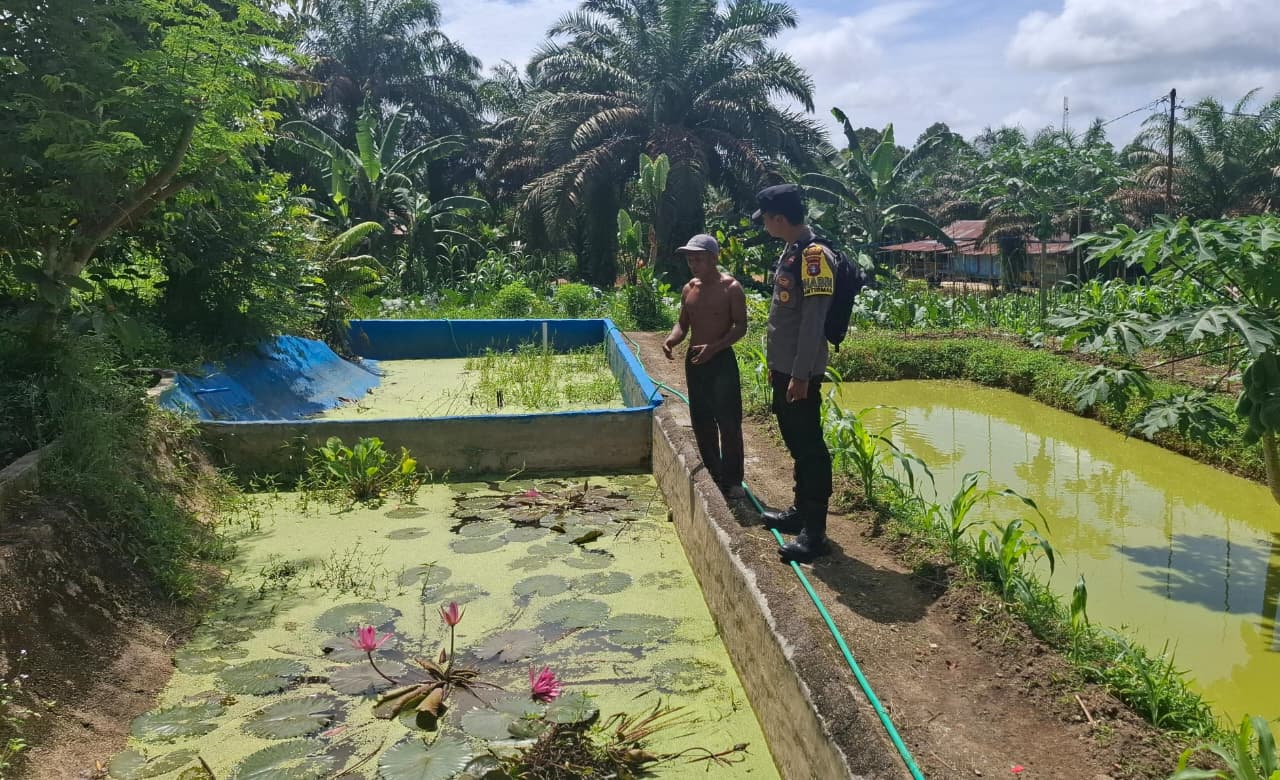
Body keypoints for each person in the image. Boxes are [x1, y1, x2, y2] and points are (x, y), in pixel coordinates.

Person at [753, 184, 834, 562]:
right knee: (797, 443)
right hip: (786, 369)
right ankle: (801, 514)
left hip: (800, 372)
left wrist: (800, 375)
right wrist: (778, 369)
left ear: (779, 219)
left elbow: (812, 322)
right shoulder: (793, 250)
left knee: (810, 448)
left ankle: (814, 533)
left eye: (766, 219)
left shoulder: (815, 256)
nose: (765, 225)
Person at [662, 234, 748, 502]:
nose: (693, 263)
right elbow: (683, 324)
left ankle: (733, 479)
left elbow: (741, 326)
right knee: (701, 418)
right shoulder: (689, 289)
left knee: (728, 421)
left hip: (720, 360)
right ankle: (713, 471)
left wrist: (715, 347)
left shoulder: (731, 288)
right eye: (690, 258)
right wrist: (672, 339)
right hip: (696, 359)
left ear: (713, 258)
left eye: (698, 258)